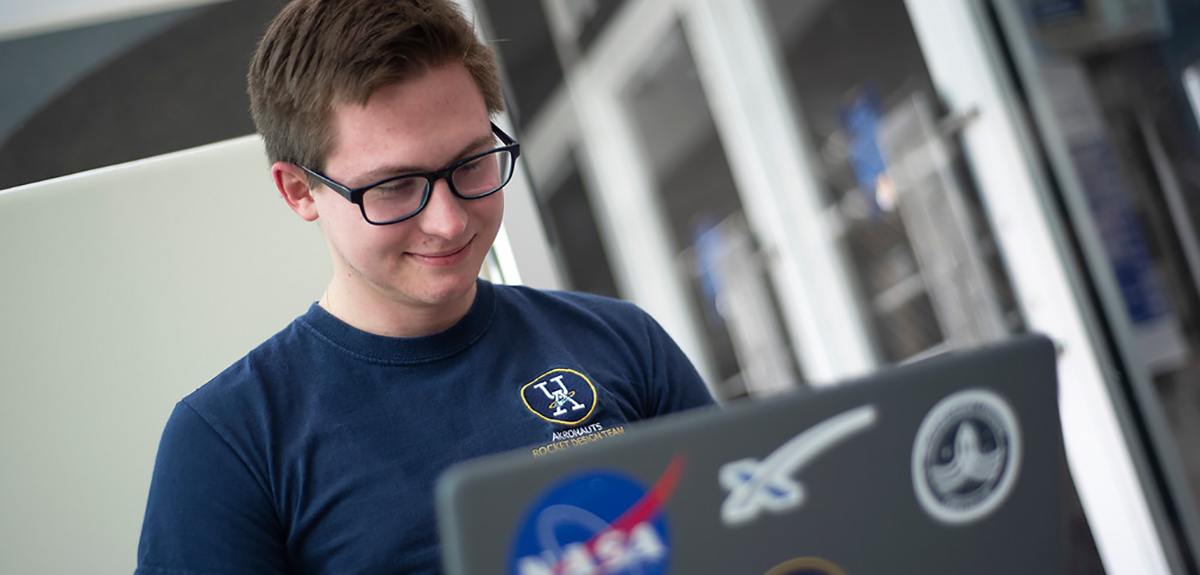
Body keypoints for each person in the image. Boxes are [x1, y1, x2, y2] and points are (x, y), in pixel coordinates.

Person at [134, 0, 715, 573]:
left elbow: (739, 541)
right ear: (299, 191)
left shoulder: (621, 341)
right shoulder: (230, 444)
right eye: (394, 187)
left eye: (471, 163)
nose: (450, 222)